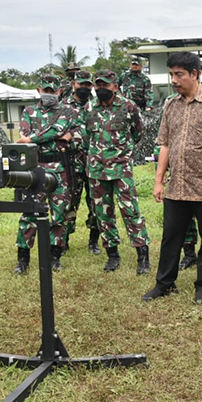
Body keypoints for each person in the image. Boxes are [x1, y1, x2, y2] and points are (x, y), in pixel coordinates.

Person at [142, 52, 202, 304]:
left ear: (195, 74)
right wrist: (159, 180)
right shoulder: (171, 105)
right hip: (177, 187)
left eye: (179, 74)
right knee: (171, 238)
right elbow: (165, 144)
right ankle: (164, 284)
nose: (174, 80)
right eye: (171, 74)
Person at [84, 69, 150, 274]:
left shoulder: (128, 106)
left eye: (105, 85)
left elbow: (138, 132)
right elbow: (86, 136)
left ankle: (142, 255)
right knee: (103, 213)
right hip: (97, 169)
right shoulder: (89, 107)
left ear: (115, 86)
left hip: (121, 168)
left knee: (130, 211)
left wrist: (122, 152)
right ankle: (112, 254)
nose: (100, 88)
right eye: (98, 85)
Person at [13, 75, 80, 273]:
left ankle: (54, 257)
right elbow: (27, 134)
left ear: (60, 91)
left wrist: (33, 139)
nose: (49, 94)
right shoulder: (29, 111)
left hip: (59, 169)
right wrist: (56, 136)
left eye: (52, 91)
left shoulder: (67, 110)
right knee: (29, 213)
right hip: (34, 168)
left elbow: (57, 130)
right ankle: (23, 260)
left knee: (59, 214)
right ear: (39, 90)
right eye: (46, 90)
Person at [65, 70, 100, 254]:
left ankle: (94, 241)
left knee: (96, 203)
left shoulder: (98, 105)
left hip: (95, 163)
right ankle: (63, 240)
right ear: (74, 84)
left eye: (88, 84)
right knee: (69, 203)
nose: (84, 87)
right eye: (81, 84)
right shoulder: (63, 107)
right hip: (71, 164)